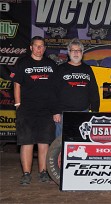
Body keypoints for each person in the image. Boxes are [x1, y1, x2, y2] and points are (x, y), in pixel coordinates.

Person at [14, 36, 57, 185]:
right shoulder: (22, 63)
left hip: (46, 110)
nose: (39, 49)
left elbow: (55, 89)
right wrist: (18, 104)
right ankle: (26, 174)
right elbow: (17, 84)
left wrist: (55, 110)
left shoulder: (51, 64)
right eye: (36, 46)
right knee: (27, 142)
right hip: (26, 109)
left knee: (44, 142)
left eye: (42, 46)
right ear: (31, 47)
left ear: (45, 48)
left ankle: (43, 172)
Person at [53, 38, 100, 137]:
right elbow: (53, 92)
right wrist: (55, 111)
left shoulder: (87, 69)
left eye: (78, 50)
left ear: (82, 53)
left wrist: (95, 112)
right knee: (59, 146)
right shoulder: (60, 69)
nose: (76, 53)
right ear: (69, 53)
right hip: (62, 114)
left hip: (83, 112)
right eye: (73, 50)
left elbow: (93, 91)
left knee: (80, 143)